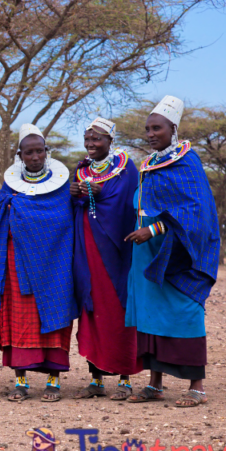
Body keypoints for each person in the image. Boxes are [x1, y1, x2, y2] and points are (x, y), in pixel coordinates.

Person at [124, 96, 220, 407]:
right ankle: (155, 384)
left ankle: (197, 387)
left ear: (173, 128)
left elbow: (196, 210)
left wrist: (152, 229)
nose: (150, 134)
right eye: (148, 129)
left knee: (185, 311)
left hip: (177, 251)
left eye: (157, 128)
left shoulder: (187, 162)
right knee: (150, 313)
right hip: (146, 252)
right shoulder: (149, 164)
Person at [0, 124, 76, 403]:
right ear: (19, 155)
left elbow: (64, 222)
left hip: (54, 266)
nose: (35, 157)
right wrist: (15, 211)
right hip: (16, 264)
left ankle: (53, 382)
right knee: (17, 319)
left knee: (54, 318)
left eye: (39, 152)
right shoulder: (10, 187)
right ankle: (20, 381)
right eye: (29, 153)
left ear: (47, 153)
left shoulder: (61, 189)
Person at [69, 117, 143, 400]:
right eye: (87, 139)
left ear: (111, 141)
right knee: (92, 311)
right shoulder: (81, 169)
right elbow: (76, 205)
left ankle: (125, 379)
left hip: (116, 252)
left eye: (97, 138)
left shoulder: (125, 169)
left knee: (119, 311)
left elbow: (128, 203)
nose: (90, 144)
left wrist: (99, 195)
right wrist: (74, 192)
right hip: (86, 251)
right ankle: (96, 378)